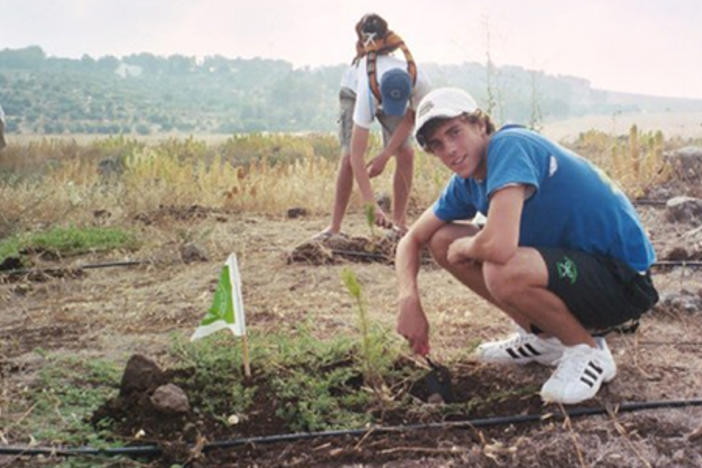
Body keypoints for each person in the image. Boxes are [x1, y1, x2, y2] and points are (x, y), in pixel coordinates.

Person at [395, 87, 659, 405]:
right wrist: (408, 300)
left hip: (623, 280)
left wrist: (466, 248)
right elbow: (412, 239)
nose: (449, 150)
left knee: (501, 267)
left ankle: (587, 352)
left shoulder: (509, 146)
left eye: (455, 132)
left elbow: (500, 246)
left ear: (480, 125)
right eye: (437, 144)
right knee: (442, 239)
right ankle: (546, 340)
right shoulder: (466, 181)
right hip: (578, 270)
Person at [316, 13, 431, 239]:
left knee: (406, 153)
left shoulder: (419, 79)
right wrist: (372, 206)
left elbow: (409, 118)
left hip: (385, 90)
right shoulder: (367, 92)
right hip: (353, 91)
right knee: (348, 158)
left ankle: (399, 225)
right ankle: (334, 228)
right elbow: (358, 157)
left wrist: (385, 155)